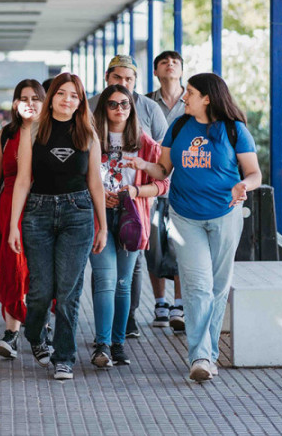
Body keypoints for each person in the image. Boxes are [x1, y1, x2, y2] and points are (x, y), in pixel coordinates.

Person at [128, 73, 261, 382]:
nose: (183, 97)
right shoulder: (179, 127)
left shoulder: (234, 130)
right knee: (197, 286)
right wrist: (144, 166)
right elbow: (164, 169)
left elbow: (253, 173)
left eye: (190, 92)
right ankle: (200, 355)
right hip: (185, 216)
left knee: (217, 286)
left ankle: (208, 352)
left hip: (225, 215)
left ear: (207, 98)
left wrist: (243, 185)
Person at [8, 73, 107, 381]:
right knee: (40, 292)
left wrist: (102, 225)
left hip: (77, 214)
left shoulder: (88, 133)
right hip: (37, 213)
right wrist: (13, 225)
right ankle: (34, 332)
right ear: (51, 97)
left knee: (67, 293)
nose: (67, 99)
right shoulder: (33, 130)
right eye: (62, 93)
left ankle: (63, 357)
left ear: (80, 102)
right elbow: (23, 180)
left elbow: (95, 183)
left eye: (74, 95)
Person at [88, 85, 169, 368]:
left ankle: (118, 343)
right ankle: (102, 344)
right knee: (105, 281)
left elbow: (162, 183)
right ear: (103, 108)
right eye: (112, 104)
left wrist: (134, 193)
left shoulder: (144, 142)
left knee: (123, 284)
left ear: (132, 108)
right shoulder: (90, 139)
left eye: (125, 103)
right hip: (99, 218)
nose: (119, 109)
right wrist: (98, 195)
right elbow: (78, 180)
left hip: (131, 219)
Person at [0, 79, 45, 359]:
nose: (29, 103)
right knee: (13, 270)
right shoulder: (7, 134)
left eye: (35, 98)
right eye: (23, 98)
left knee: (40, 271)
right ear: (15, 103)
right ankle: (12, 333)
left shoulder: (51, 133)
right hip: (8, 209)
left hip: (43, 207)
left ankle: (41, 330)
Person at [146, 50, 187, 331]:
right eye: (164, 62)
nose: (170, 65)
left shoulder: (194, 101)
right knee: (153, 244)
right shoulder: (146, 103)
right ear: (156, 72)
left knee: (182, 246)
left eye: (175, 62)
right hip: (152, 184)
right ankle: (160, 300)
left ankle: (179, 303)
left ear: (182, 70)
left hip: (184, 186)